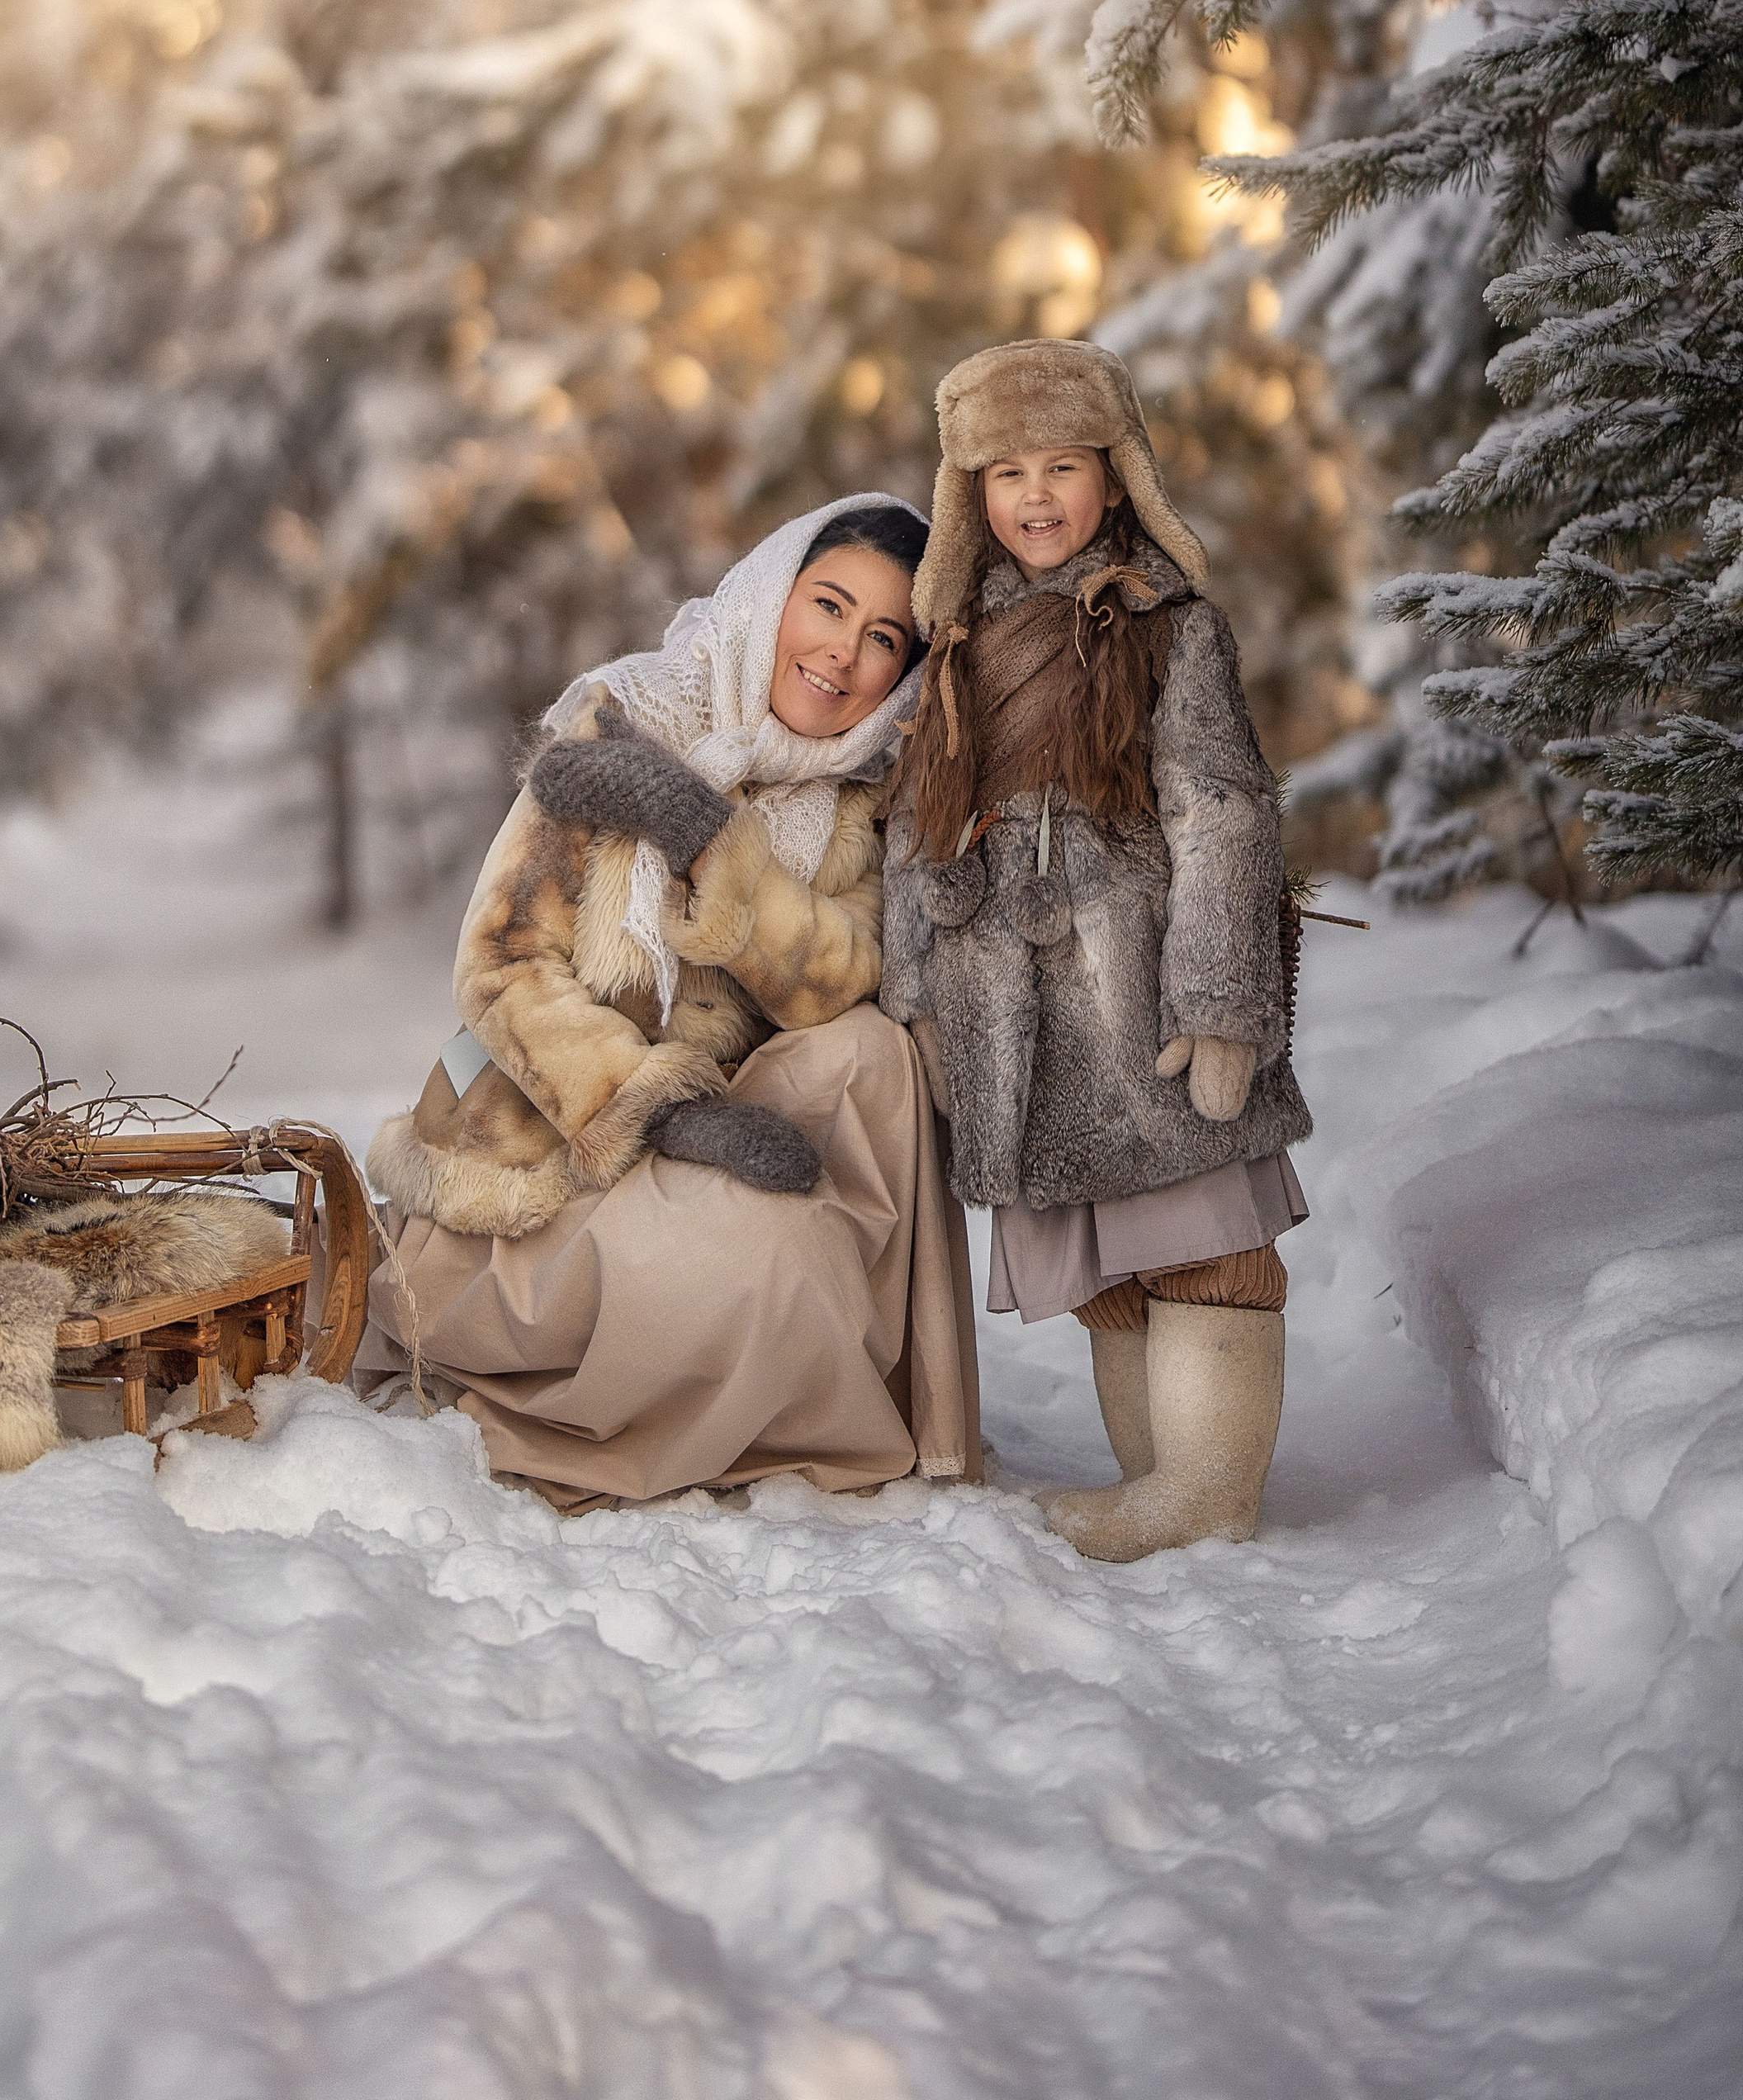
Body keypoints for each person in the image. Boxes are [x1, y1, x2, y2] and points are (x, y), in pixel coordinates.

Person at [353, 496, 981, 1506]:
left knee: (872, 1052)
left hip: (719, 1136)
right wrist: (656, 1106)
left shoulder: (861, 799)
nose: (843, 655)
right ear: (772, 592)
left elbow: (839, 974)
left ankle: (818, 1381)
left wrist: (711, 845)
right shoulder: (621, 722)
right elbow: (499, 966)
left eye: (882, 640)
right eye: (826, 605)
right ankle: (665, 1374)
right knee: (779, 1261)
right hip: (535, 1139)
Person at [883, 340, 1310, 1562]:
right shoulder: (952, 650)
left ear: (1114, 477)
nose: (1034, 496)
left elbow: (1222, 810)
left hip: (1142, 989)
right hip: (1009, 1003)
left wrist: (1225, 999)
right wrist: (918, 996)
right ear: (972, 495)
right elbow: (917, 837)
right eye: (1005, 472)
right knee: (1108, 1259)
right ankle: (1159, 1482)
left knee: (1206, 1235)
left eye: (1060, 465)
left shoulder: (1173, 628)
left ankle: (1211, 1489)